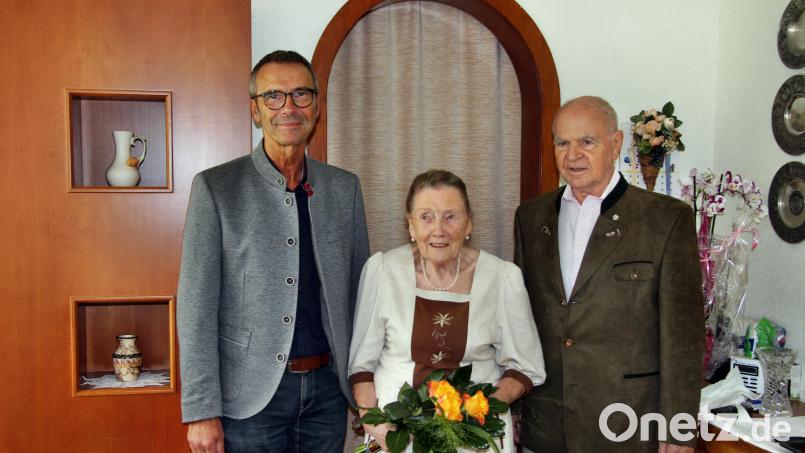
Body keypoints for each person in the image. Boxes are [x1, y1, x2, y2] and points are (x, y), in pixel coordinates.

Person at [177, 50, 370, 453]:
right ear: (255, 109)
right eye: (273, 96)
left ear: (316, 106)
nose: (289, 107)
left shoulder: (343, 188)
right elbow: (195, 307)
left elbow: (360, 294)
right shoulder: (217, 188)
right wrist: (201, 410)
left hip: (328, 393)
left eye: (301, 94)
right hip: (250, 397)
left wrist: (363, 382)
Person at [514, 96, 704, 453]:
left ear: (615, 144)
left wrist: (678, 428)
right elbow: (521, 321)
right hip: (548, 424)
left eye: (587, 141)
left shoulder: (665, 219)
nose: (573, 155)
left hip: (628, 425)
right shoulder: (531, 218)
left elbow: (684, 338)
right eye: (562, 143)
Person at [349, 169, 546, 452]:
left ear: (468, 225)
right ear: (411, 226)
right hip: (396, 439)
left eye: (450, 216)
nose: (438, 229)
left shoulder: (502, 278)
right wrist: (372, 421)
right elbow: (361, 367)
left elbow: (525, 368)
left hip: (477, 441)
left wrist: (476, 414)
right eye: (426, 217)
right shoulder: (382, 271)